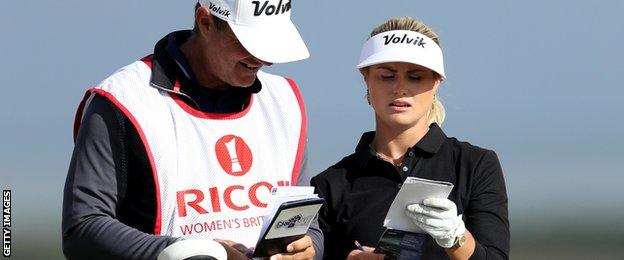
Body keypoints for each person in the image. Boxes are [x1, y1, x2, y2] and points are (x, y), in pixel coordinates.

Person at [62, 1, 322, 259]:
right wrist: (199, 252)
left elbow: (306, 225)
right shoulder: (124, 100)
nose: (265, 59)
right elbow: (82, 229)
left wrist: (308, 247)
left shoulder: (284, 100)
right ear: (206, 22)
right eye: (249, 42)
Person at [311, 17, 509, 260]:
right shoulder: (329, 185)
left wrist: (456, 238)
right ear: (366, 77)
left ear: (437, 82)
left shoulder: (475, 165)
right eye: (387, 75)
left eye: (415, 77)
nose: (400, 88)